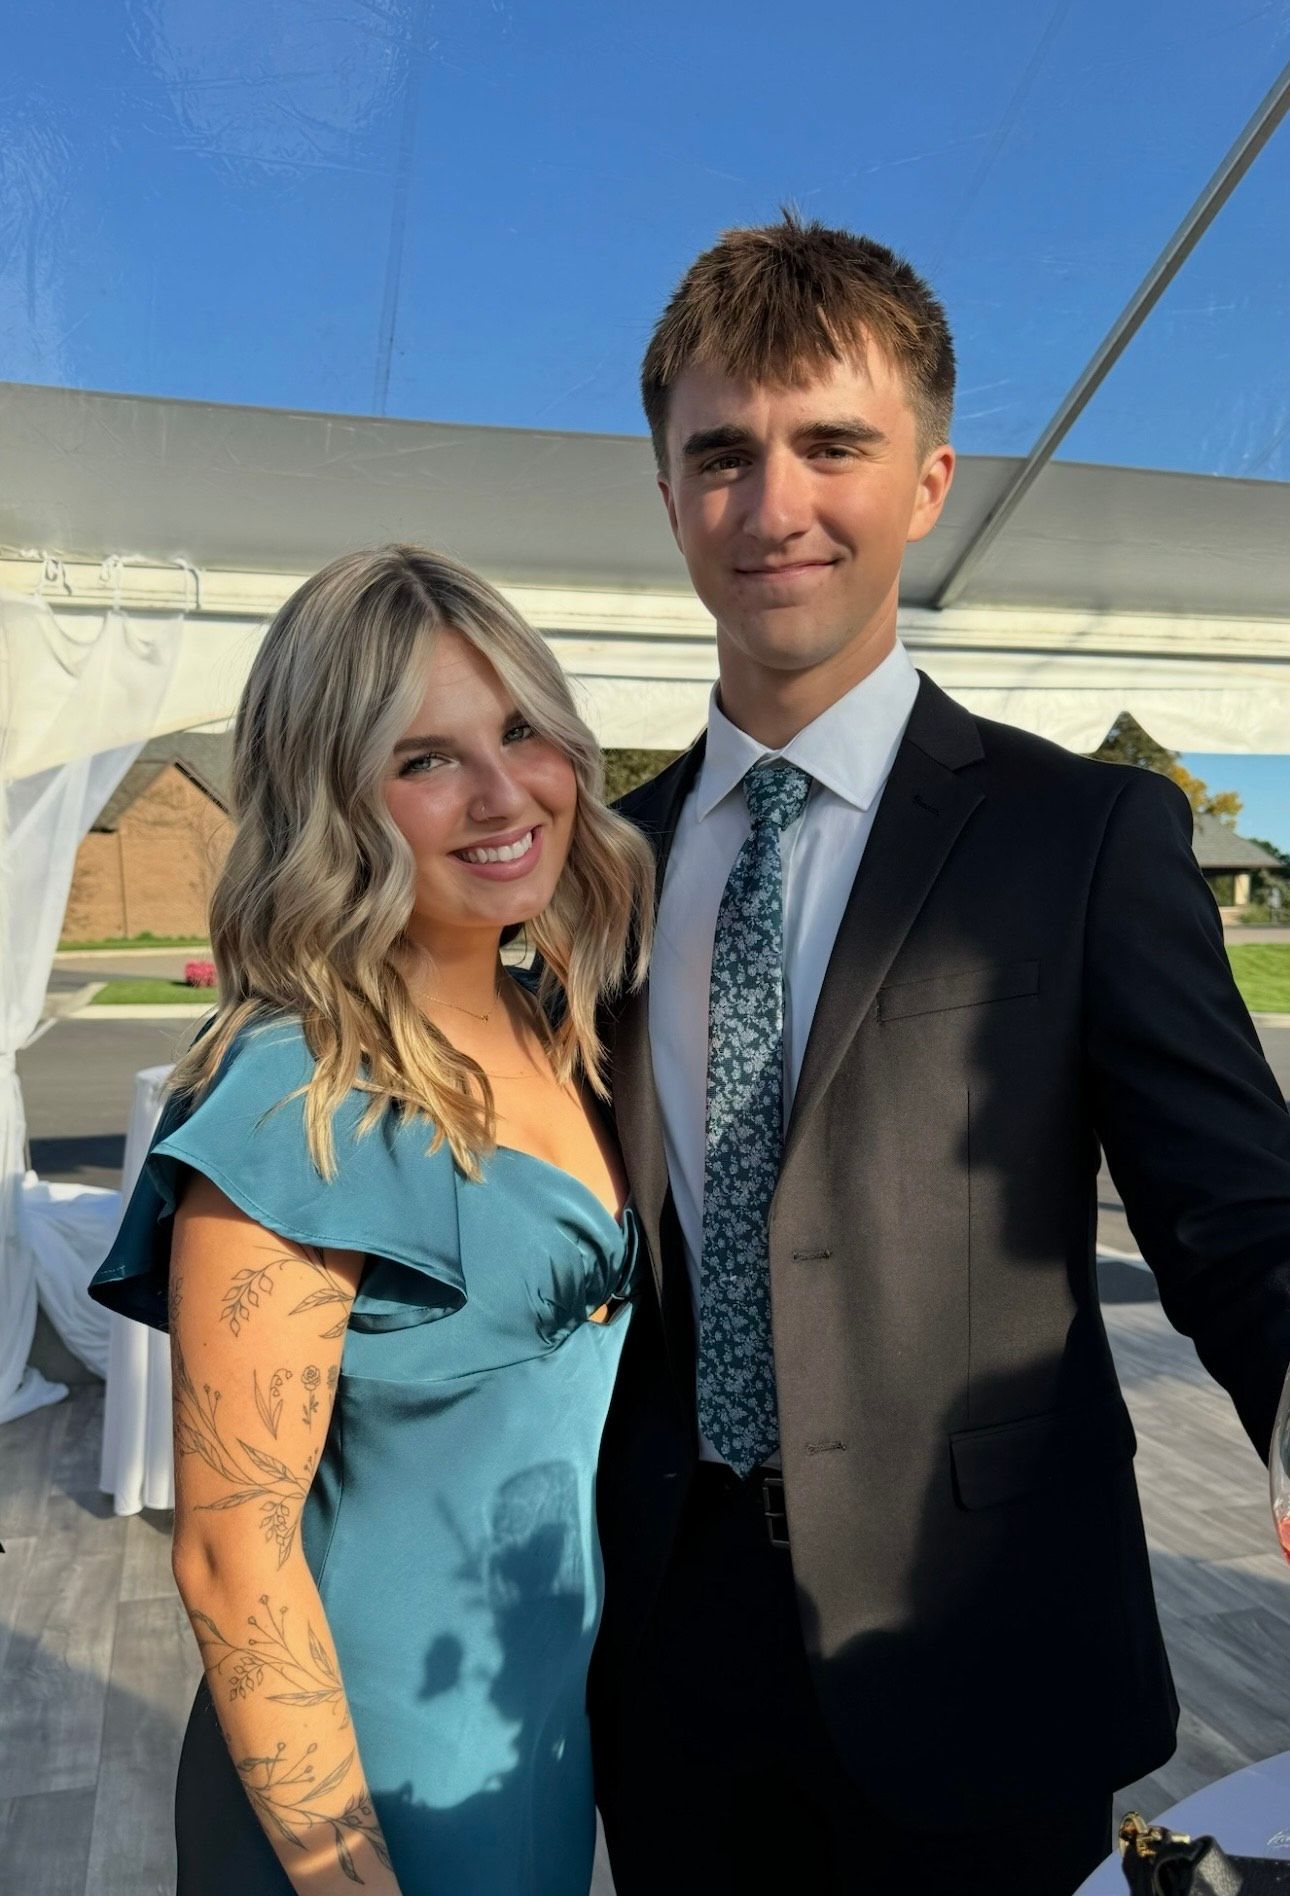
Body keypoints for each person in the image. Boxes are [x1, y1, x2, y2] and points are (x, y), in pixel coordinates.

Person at [590, 214, 1290, 1896]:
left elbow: (1234, 1211)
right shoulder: (594, 867)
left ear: (927, 480)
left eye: (833, 444)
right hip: (666, 1657)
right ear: (667, 488)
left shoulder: (1085, 834)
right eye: (722, 454)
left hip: (981, 1640)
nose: (774, 506)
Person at [90, 546, 654, 1896]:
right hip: (362, 1796)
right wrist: (348, 1875)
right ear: (331, 796)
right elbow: (233, 1556)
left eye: (521, 729)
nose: (503, 791)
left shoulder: (562, 1028)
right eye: (425, 760)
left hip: (526, 1738)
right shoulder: (301, 1094)